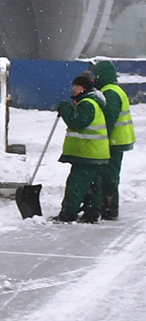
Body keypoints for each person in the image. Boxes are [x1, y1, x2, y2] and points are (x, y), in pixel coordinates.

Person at [54, 71, 109, 223]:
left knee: (76, 185)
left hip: (87, 153)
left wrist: (65, 109)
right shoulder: (92, 102)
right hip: (95, 153)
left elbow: (76, 122)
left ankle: (68, 214)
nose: (74, 89)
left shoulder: (87, 104)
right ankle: (92, 214)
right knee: (93, 187)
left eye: (77, 86)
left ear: (84, 88)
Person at [92, 59, 132, 220]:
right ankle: (107, 206)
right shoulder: (114, 89)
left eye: (96, 75)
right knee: (110, 175)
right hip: (117, 141)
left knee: (109, 177)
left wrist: (99, 140)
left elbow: (108, 118)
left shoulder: (110, 92)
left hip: (113, 142)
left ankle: (109, 209)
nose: (95, 79)